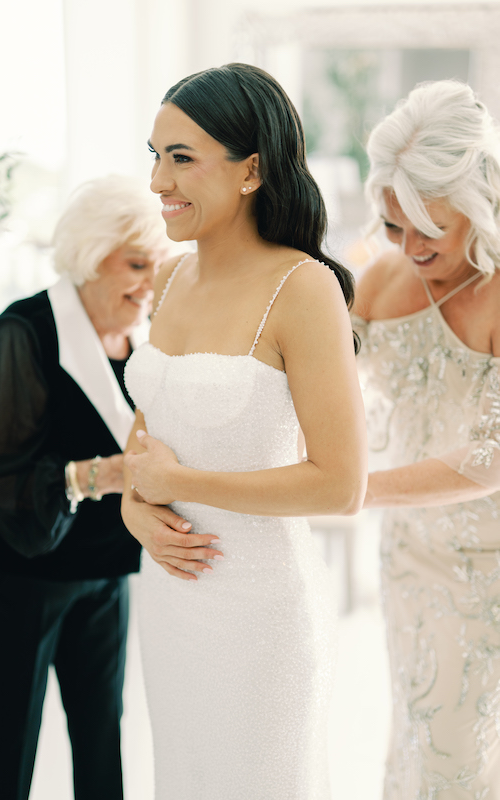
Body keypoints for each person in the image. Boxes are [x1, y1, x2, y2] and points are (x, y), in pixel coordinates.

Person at [120, 62, 367, 799]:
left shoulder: (303, 288)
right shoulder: (168, 279)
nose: (159, 182)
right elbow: (147, 438)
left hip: (260, 622)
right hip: (169, 602)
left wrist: (180, 485)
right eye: (156, 155)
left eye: (183, 158)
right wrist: (137, 507)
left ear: (251, 169)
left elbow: (341, 485)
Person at [0, 175, 169, 800]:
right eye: (137, 264)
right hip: (20, 581)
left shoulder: (143, 338)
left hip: (106, 575)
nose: (151, 283)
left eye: (157, 266)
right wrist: (98, 475)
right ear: (89, 255)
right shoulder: (22, 334)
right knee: (3, 746)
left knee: (103, 740)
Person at [353, 80, 500, 798]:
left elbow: (491, 456)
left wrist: (355, 490)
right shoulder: (375, 282)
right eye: (390, 226)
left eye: (428, 231)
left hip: (487, 571)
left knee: (462, 759)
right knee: (413, 733)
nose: (407, 248)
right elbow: (297, 370)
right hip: (405, 561)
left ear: (475, 210)